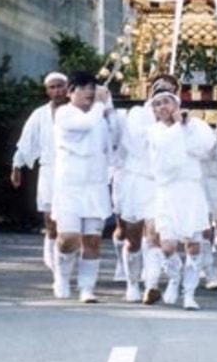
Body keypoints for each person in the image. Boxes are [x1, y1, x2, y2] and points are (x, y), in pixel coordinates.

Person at [147, 89, 215, 310]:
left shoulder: (195, 126)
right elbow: (167, 152)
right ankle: (175, 279)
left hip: (191, 189)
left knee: (193, 245)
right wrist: (179, 128)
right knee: (167, 246)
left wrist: (185, 127)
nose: (162, 108)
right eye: (157, 104)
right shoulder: (154, 131)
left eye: (166, 102)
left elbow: (203, 150)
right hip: (167, 191)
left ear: (176, 105)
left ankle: (189, 293)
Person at [116, 74, 180, 304]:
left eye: (168, 90)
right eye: (157, 88)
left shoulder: (177, 119)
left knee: (154, 232)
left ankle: (151, 285)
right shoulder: (137, 114)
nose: (162, 91)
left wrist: (173, 122)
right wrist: (160, 120)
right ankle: (132, 283)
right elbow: (136, 141)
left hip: (160, 183)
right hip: (136, 179)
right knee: (133, 237)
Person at [51, 72, 113, 302]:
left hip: (95, 186)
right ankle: (62, 276)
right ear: (70, 92)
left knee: (93, 241)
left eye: (93, 88)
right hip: (69, 187)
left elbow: (112, 143)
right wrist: (99, 105)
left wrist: (109, 109)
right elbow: (85, 124)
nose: (90, 92)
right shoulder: (64, 114)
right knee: (68, 238)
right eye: (84, 88)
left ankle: (87, 288)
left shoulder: (100, 117)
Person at [10, 72, 68, 271]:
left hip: (73, 171)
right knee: (50, 216)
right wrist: (17, 165)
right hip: (49, 170)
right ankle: (50, 247)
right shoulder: (40, 114)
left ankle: (66, 254)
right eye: (52, 87)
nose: (57, 91)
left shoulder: (76, 111)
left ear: (67, 87)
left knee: (69, 217)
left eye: (60, 86)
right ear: (46, 91)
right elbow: (27, 141)